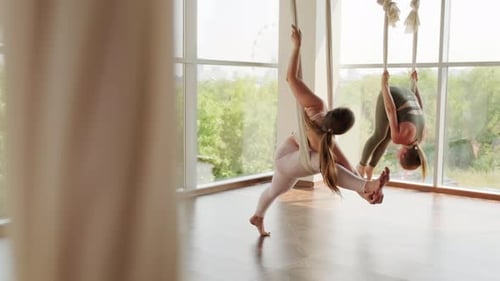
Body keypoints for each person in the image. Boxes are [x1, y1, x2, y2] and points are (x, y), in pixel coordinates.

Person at [249, 25, 390, 237]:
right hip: (289, 159)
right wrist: (366, 188)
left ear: (333, 111)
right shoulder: (327, 142)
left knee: (276, 190)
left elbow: (291, 78)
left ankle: (257, 216)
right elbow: (347, 170)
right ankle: (368, 185)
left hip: (289, 159)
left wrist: (297, 46)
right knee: (324, 163)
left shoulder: (316, 106)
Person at [357, 70, 427, 180]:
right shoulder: (401, 137)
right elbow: (391, 110)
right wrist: (384, 85)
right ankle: (361, 166)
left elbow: (419, 106)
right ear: (403, 155)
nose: (396, 156)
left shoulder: (421, 137)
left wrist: (414, 83)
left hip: (408, 93)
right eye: (399, 159)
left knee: (388, 136)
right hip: (392, 94)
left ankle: (370, 168)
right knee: (379, 134)